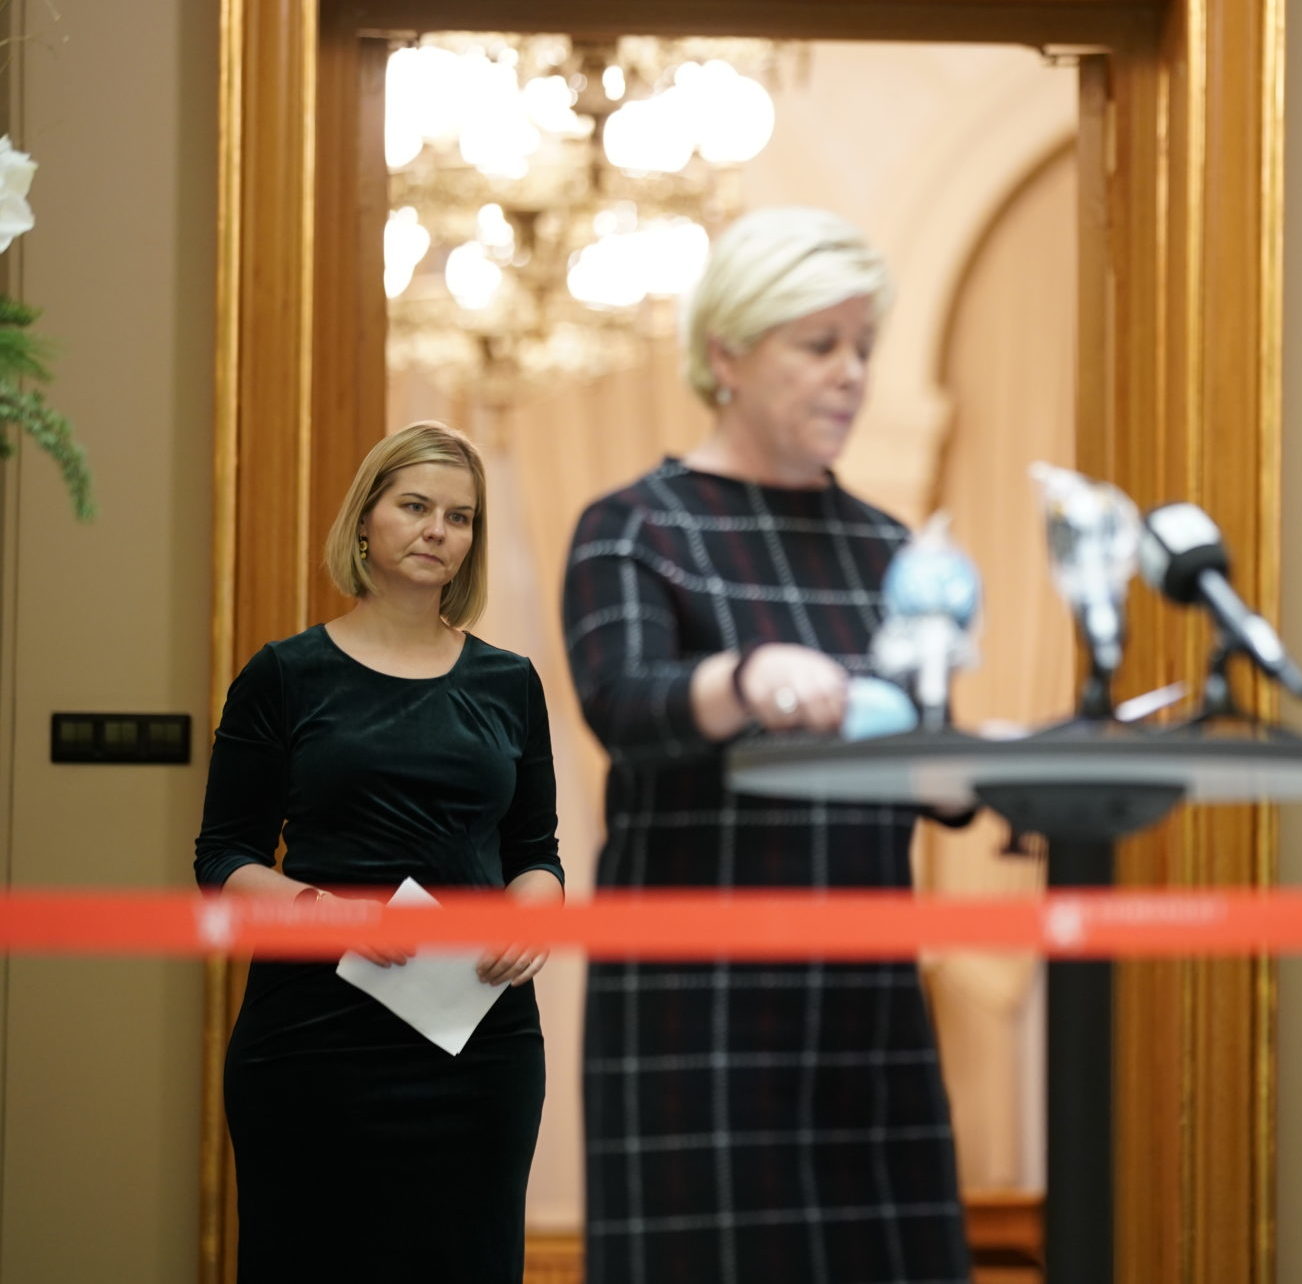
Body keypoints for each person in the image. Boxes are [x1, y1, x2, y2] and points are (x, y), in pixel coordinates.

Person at [563, 207, 971, 1283]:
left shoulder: (888, 546)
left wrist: (980, 764)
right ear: (726, 354)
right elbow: (622, 703)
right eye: (819, 344)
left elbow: (925, 761)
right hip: (695, 1011)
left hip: (864, 1010)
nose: (851, 374)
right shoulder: (635, 527)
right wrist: (746, 680)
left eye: (864, 348)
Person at [193, 421, 565, 1282]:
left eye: (460, 517)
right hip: (313, 1041)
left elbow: (536, 852)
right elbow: (222, 858)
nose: (439, 530)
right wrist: (322, 915)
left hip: (478, 1041)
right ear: (365, 519)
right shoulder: (284, 675)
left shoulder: (509, 682)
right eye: (416, 506)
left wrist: (531, 915)